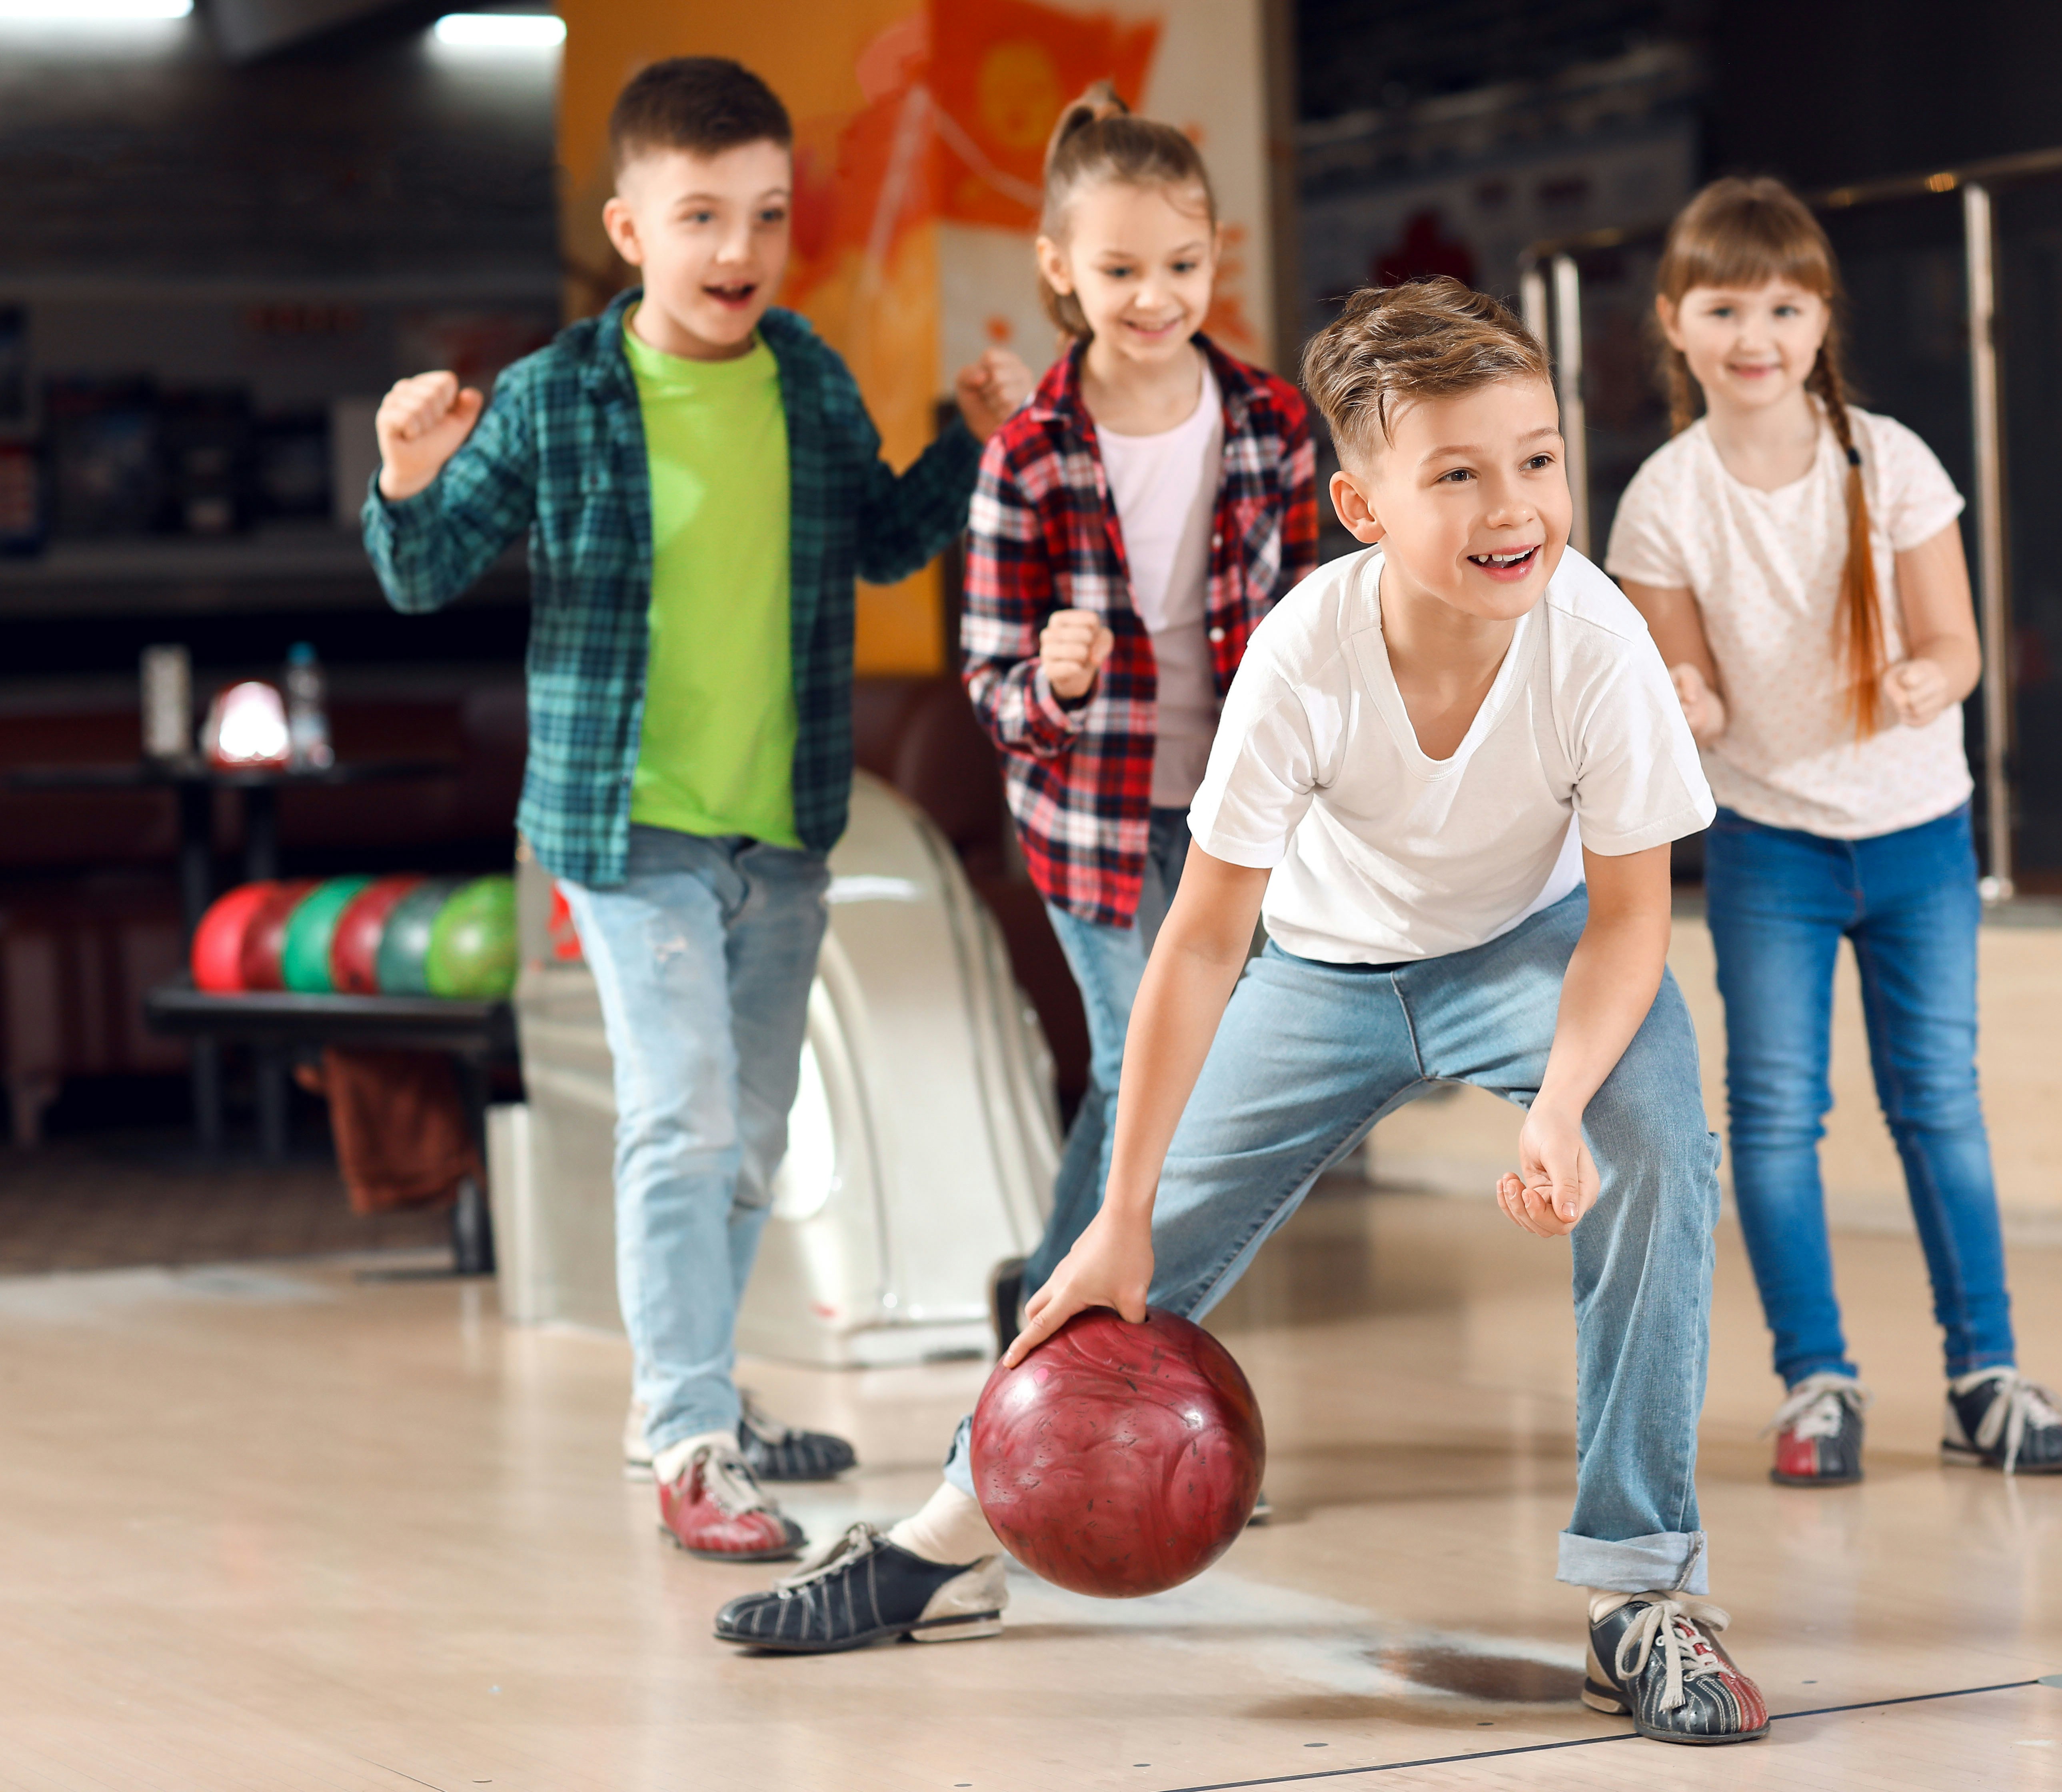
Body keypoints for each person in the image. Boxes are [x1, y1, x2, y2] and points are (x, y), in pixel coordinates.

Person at [711, 278, 1769, 1748]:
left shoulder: (1597, 650)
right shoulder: (1305, 654)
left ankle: (1639, 1592)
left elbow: (1633, 917)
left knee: (1657, 1143)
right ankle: (946, 1543)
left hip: (1534, 957)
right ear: (1361, 506)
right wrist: (1127, 1204)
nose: (1511, 503)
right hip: (1322, 972)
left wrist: (1561, 1101)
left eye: (1535, 458)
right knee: (1119, 1261)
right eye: (1455, 472)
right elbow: (1202, 946)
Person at [362, 57, 1031, 1562]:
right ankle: (688, 1436)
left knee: (748, 1134)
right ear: (630, 228)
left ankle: (694, 1391)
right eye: (702, 216)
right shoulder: (556, 397)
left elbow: (878, 541)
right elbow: (422, 573)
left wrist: (972, 443)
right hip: (622, 826)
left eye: (768, 216)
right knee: (681, 1118)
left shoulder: (803, 375)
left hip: (779, 830)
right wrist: (409, 479)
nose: (739, 250)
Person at [1607, 176, 2062, 1487]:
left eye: (1783, 305)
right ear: (1675, 322)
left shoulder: (1892, 461)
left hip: (1919, 834)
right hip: (1771, 845)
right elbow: (1684, 681)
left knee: (1938, 1102)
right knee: (1773, 1117)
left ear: (1822, 321)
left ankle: (1984, 1376)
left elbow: (1960, 643)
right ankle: (1816, 1382)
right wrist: (1689, 699)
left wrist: (1937, 675)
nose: (1754, 333)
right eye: (1723, 307)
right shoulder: (1664, 497)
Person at [958, 83, 1318, 1349]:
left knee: (1198, 1083)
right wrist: (1052, 682)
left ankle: (1055, 1311)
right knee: (1144, 1072)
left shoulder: (1274, 424)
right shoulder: (1029, 450)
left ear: (1216, 255)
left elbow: (1320, 628)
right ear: (1060, 268)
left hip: (1238, 815)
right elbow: (990, 683)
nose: (1156, 294)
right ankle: (1092, 1356)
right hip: (1089, 823)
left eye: (1182, 263)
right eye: (1119, 268)